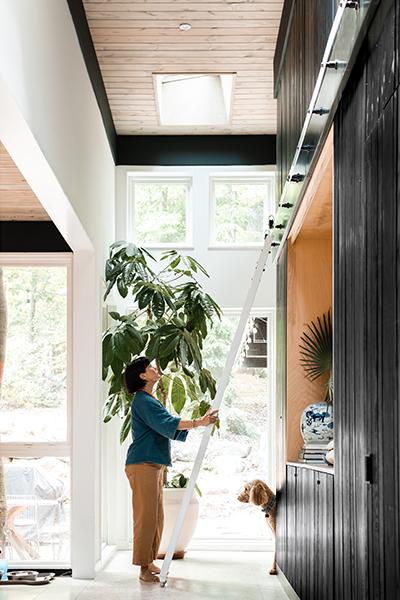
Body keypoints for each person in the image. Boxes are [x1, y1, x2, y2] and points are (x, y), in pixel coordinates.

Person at [124, 356, 219, 583]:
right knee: (146, 518)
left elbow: (166, 427)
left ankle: (149, 562)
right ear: (142, 376)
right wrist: (199, 422)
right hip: (142, 464)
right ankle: (143, 569)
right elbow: (168, 423)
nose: (156, 369)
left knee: (156, 516)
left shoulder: (149, 399)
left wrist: (198, 423)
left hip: (152, 464)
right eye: (150, 367)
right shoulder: (143, 401)